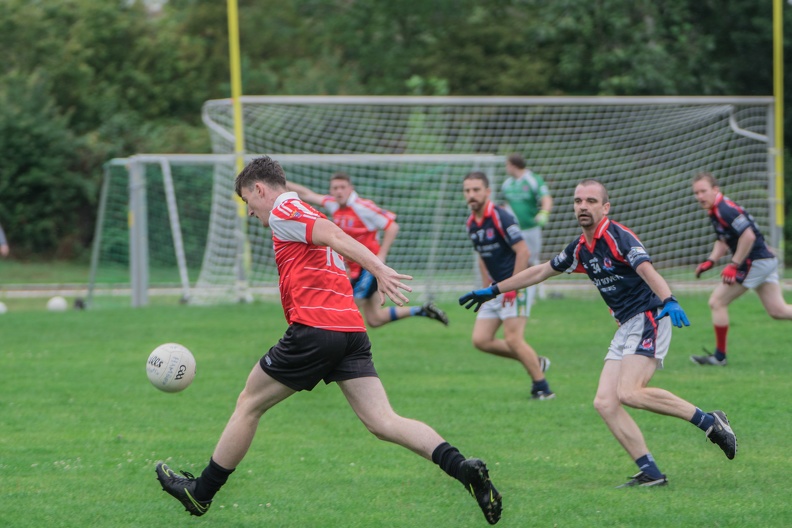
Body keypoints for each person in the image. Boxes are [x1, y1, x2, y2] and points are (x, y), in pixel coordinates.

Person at [156, 156, 502, 525]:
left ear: (259, 188)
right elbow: (328, 236)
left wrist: (379, 269)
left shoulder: (284, 208)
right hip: (350, 331)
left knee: (249, 403)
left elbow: (334, 235)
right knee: (383, 421)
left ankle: (201, 492)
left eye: (247, 202)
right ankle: (463, 468)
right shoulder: (295, 209)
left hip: (316, 330)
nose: (251, 213)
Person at [460, 179, 737, 487]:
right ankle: (651, 473)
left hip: (649, 317)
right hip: (626, 325)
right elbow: (540, 271)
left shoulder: (619, 237)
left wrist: (669, 299)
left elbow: (647, 270)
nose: (583, 206)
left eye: (591, 201)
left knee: (629, 392)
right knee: (605, 402)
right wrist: (493, 290)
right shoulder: (580, 248)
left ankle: (711, 423)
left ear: (605, 207)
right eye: (578, 201)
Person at [286, 173, 449, 328]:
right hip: (355, 268)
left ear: (351, 188)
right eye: (335, 188)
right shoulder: (333, 203)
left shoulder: (362, 207)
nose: (338, 191)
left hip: (368, 266)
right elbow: (306, 194)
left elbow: (392, 226)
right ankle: (421, 310)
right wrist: (279, 183)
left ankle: (341, 350)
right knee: (375, 319)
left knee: (345, 308)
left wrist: (381, 256)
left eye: (342, 187)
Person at [463, 171, 554, 400]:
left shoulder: (500, 217)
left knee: (513, 338)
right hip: (495, 289)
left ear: (487, 192)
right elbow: (482, 256)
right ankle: (535, 361)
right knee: (481, 340)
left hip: (518, 284)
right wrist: (486, 289)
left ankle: (542, 388)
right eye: (467, 190)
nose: (471, 195)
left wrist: (513, 286)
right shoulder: (472, 223)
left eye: (476, 190)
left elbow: (523, 251)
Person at [690, 172, 792, 366]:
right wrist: (711, 261)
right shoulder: (715, 209)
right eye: (696, 193)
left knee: (717, 302)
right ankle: (719, 357)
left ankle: (719, 357)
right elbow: (723, 240)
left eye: (703, 191)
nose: (700, 196)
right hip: (763, 261)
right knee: (778, 311)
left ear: (715, 190)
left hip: (756, 262)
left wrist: (734, 265)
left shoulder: (724, 209)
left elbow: (748, 236)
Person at [502, 154, 553, 303]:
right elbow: (506, 205)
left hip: (531, 228)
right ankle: (520, 291)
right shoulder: (507, 184)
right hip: (514, 230)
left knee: (533, 260)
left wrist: (544, 212)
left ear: (513, 165)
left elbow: (546, 198)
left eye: (507, 165)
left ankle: (539, 291)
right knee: (517, 259)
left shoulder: (533, 179)